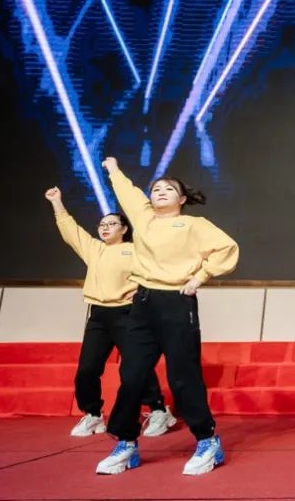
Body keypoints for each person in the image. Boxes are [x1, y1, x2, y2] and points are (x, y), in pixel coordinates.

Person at [94, 157, 239, 476]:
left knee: (182, 376)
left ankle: (207, 440)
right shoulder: (143, 217)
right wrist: (114, 169)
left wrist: (199, 277)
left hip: (177, 302)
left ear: (182, 199)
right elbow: (127, 192)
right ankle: (127, 443)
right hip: (143, 303)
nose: (160, 191)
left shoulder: (194, 225)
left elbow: (227, 249)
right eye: (156, 188)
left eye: (169, 189)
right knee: (132, 375)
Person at [44, 187, 176, 438]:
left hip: (128, 313)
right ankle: (93, 414)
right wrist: (56, 202)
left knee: (135, 366)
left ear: (124, 229)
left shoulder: (135, 249)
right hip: (98, 315)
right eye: (102, 225)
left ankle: (159, 409)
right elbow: (70, 230)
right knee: (87, 369)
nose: (105, 228)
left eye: (111, 224)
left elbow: (155, 272)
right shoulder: (94, 248)